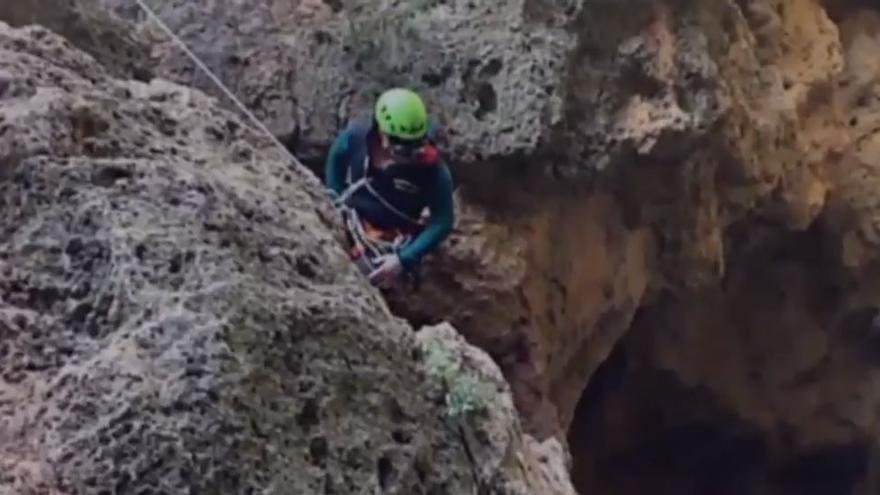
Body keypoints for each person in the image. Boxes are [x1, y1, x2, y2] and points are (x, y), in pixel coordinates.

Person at [325, 88, 454, 286]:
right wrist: (335, 197)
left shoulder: (432, 170)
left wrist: (404, 259)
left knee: (370, 272)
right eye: (399, 144)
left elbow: (442, 220)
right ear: (380, 131)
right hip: (355, 217)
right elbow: (337, 156)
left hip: (397, 236)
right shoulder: (357, 138)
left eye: (414, 144)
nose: (406, 152)